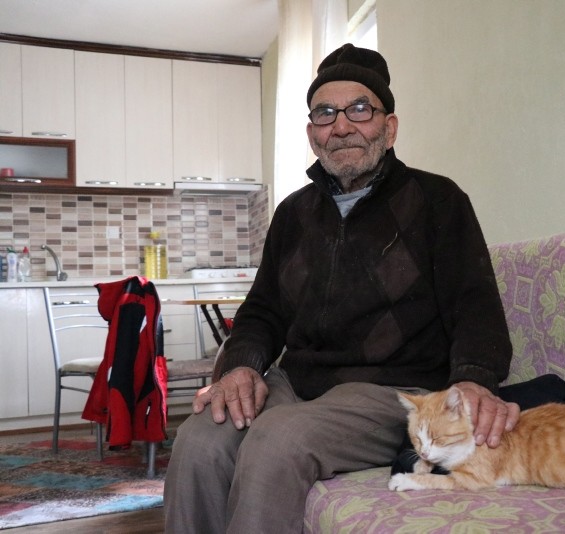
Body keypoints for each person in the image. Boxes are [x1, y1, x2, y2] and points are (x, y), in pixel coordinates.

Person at [164, 43, 519, 533]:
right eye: (325, 113)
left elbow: (474, 304)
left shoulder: (438, 200)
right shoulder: (293, 213)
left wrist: (475, 378)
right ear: (313, 135)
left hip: (393, 389)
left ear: (389, 128)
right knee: (200, 439)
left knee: (279, 439)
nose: (342, 125)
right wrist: (240, 367)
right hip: (297, 384)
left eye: (360, 109)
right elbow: (263, 310)